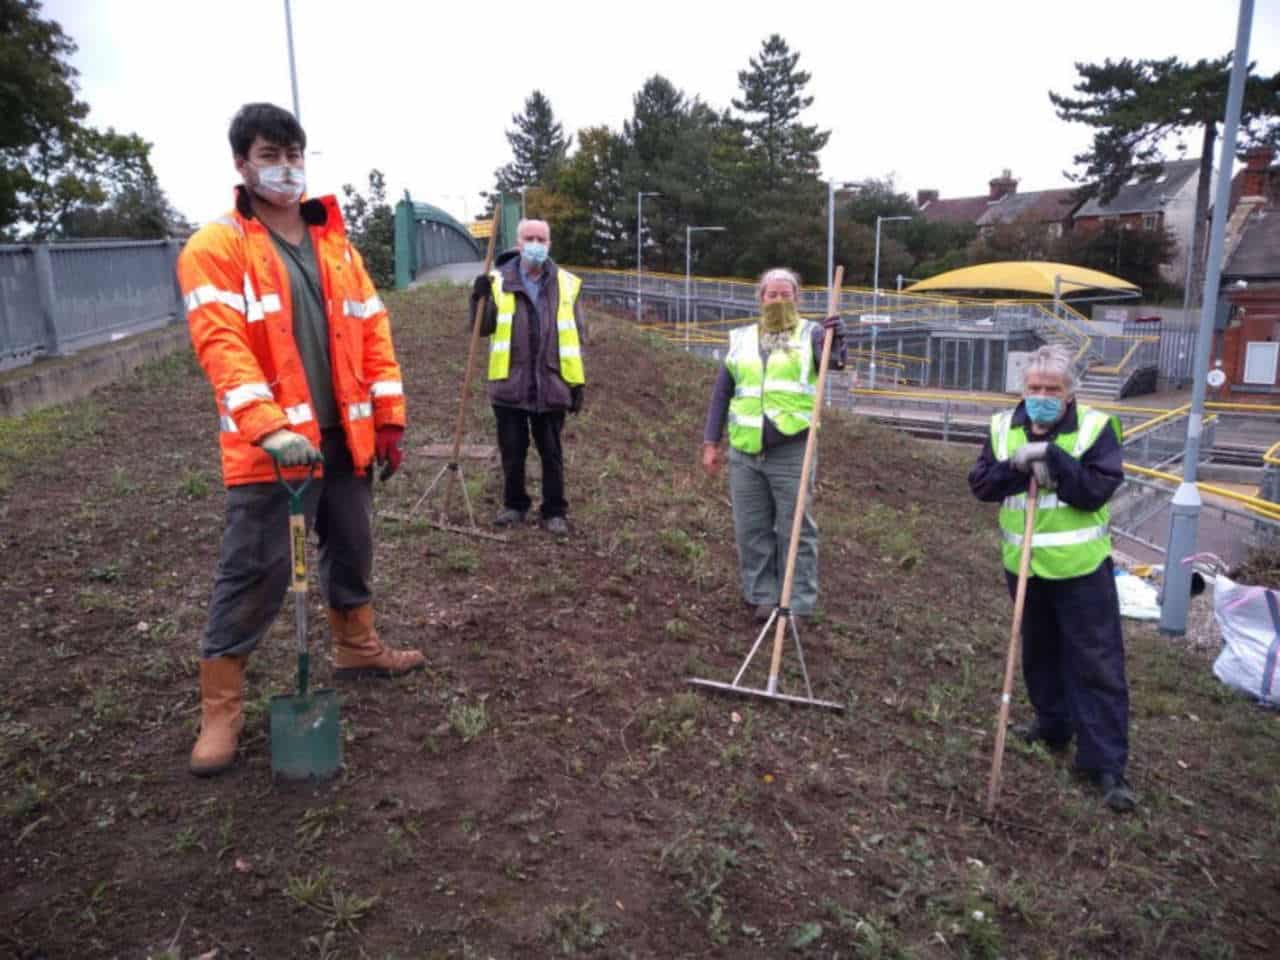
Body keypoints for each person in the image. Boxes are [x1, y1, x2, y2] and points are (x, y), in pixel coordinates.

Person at [178, 103, 424, 778]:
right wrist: (270, 429)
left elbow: (373, 333)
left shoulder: (337, 246)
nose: (285, 168)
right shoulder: (216, 248)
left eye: (294, 154)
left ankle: (356, 645)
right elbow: (222, 347)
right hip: (273, 450)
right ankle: (221, 707)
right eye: (270, 154)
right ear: (241, 163)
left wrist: (390, 419)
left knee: (352, 543)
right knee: (257, 568)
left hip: (346, 434)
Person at [967, 344, 1135, 812]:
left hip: (1080, 568)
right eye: (1034, 388)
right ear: (1023, 389)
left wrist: (1056, 461)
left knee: (1096, 662)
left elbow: (1095, 491)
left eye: (1052, 389)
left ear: (1069, 393)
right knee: (1039, 650)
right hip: (1025, 565)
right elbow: (981, 485)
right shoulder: (1004, 427)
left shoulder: (1096, 428)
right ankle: (1053, 723)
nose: (1042, 396)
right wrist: (1017, 466)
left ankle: (1104, 763)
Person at [700, 268, 846, 622]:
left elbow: (835, 364)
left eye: (786, 294)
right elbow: (723, 392)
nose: (779, 300)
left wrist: (836, 341)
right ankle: (761, 595)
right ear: (761, 299)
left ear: (797, 299)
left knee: (795, 527)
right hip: (746, 450)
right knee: (751, 527)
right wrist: (711, 441)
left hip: (792, 448)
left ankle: (797, 602)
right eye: (772, 294)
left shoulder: (811, 334)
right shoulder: (742, 339)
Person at [470, 219, 586, 536]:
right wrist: (477, 298)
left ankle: (554, 510)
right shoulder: (497, 281)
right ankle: (515, 504)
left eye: (542, 238)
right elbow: (481, 329)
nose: (536, 243)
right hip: (510, 382)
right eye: (530, 238)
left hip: (551, 382)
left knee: (551, 452)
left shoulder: (566, 284)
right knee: (512, 449)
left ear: (549, 243)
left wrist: (576, 383)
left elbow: (576, 335)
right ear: (518, 243)